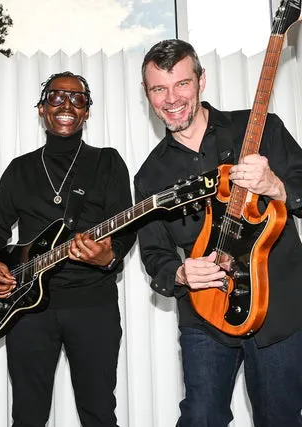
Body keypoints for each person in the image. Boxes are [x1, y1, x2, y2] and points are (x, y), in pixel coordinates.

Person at [134, 39, 302, 426]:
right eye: (159, 88)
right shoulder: (149, 176)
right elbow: (155, 254)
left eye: (182, 83)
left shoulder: (260, 128)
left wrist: (277, 186)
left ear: (201, 80)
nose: (171, 99)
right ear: (146, 93)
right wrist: (180, 273)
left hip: (278, 309)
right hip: (205, 314)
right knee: (200, 417)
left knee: (279, 419)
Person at [0, 71, 136, 427]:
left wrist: (109, 256)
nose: (67, 105)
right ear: (41, 108)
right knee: (27, 416)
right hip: (27, 309)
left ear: (87, 112)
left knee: (99, 413)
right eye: (56, 97)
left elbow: (126, 229)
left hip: (93, 307)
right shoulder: (20, 169)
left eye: (77, 99)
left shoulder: (107, 162)